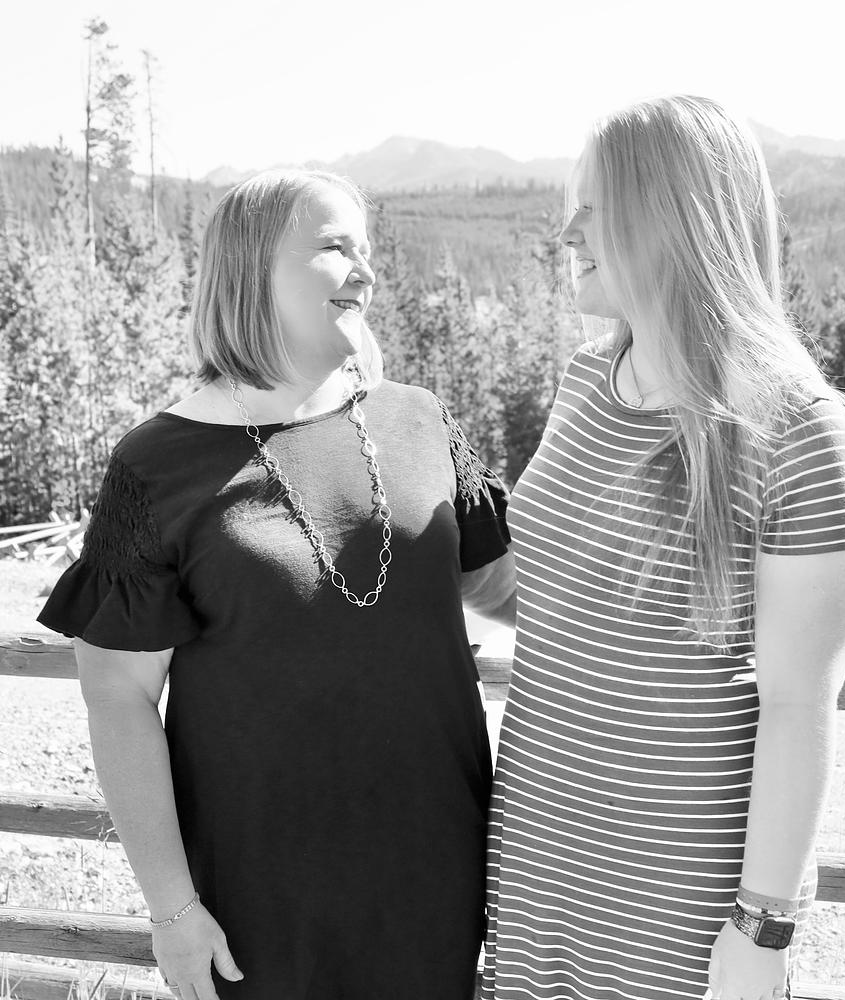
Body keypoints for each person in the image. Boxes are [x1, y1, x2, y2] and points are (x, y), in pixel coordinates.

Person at [38, 168, 515, 1000]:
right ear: (252, 268)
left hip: (435, 869)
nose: (365, 270)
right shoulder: (156, 465)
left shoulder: (420, 419)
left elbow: (504, 587)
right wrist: (173, 908)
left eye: (366, 248)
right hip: (256, 899)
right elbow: (117, 697)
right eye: (335, 247)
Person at [481, 96, 845, 1000]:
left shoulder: (796, 429)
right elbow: (553, 592)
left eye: (597, 208)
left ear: (677, 219)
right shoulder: (587, 379)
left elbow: (799, 707)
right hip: (543, 857)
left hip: (680, 897)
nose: (567, 231)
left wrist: (761, 929)